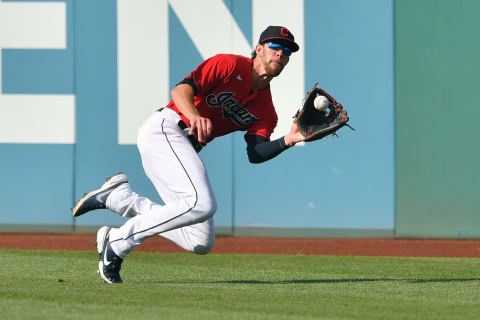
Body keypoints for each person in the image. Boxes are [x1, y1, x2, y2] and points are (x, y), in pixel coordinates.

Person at [72, 26, 306, 283]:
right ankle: (118, 242)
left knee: (199, 241)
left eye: (287, 51)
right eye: (275, 47)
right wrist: (194, 115)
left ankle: (119, 198)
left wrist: (291, 139)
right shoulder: (229, 65)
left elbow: (256, 152)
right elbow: (180, 90)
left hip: (183, 148)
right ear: (259, 49)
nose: (280, 54)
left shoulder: (267, 110)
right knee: (202, 204)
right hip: (166, 129)